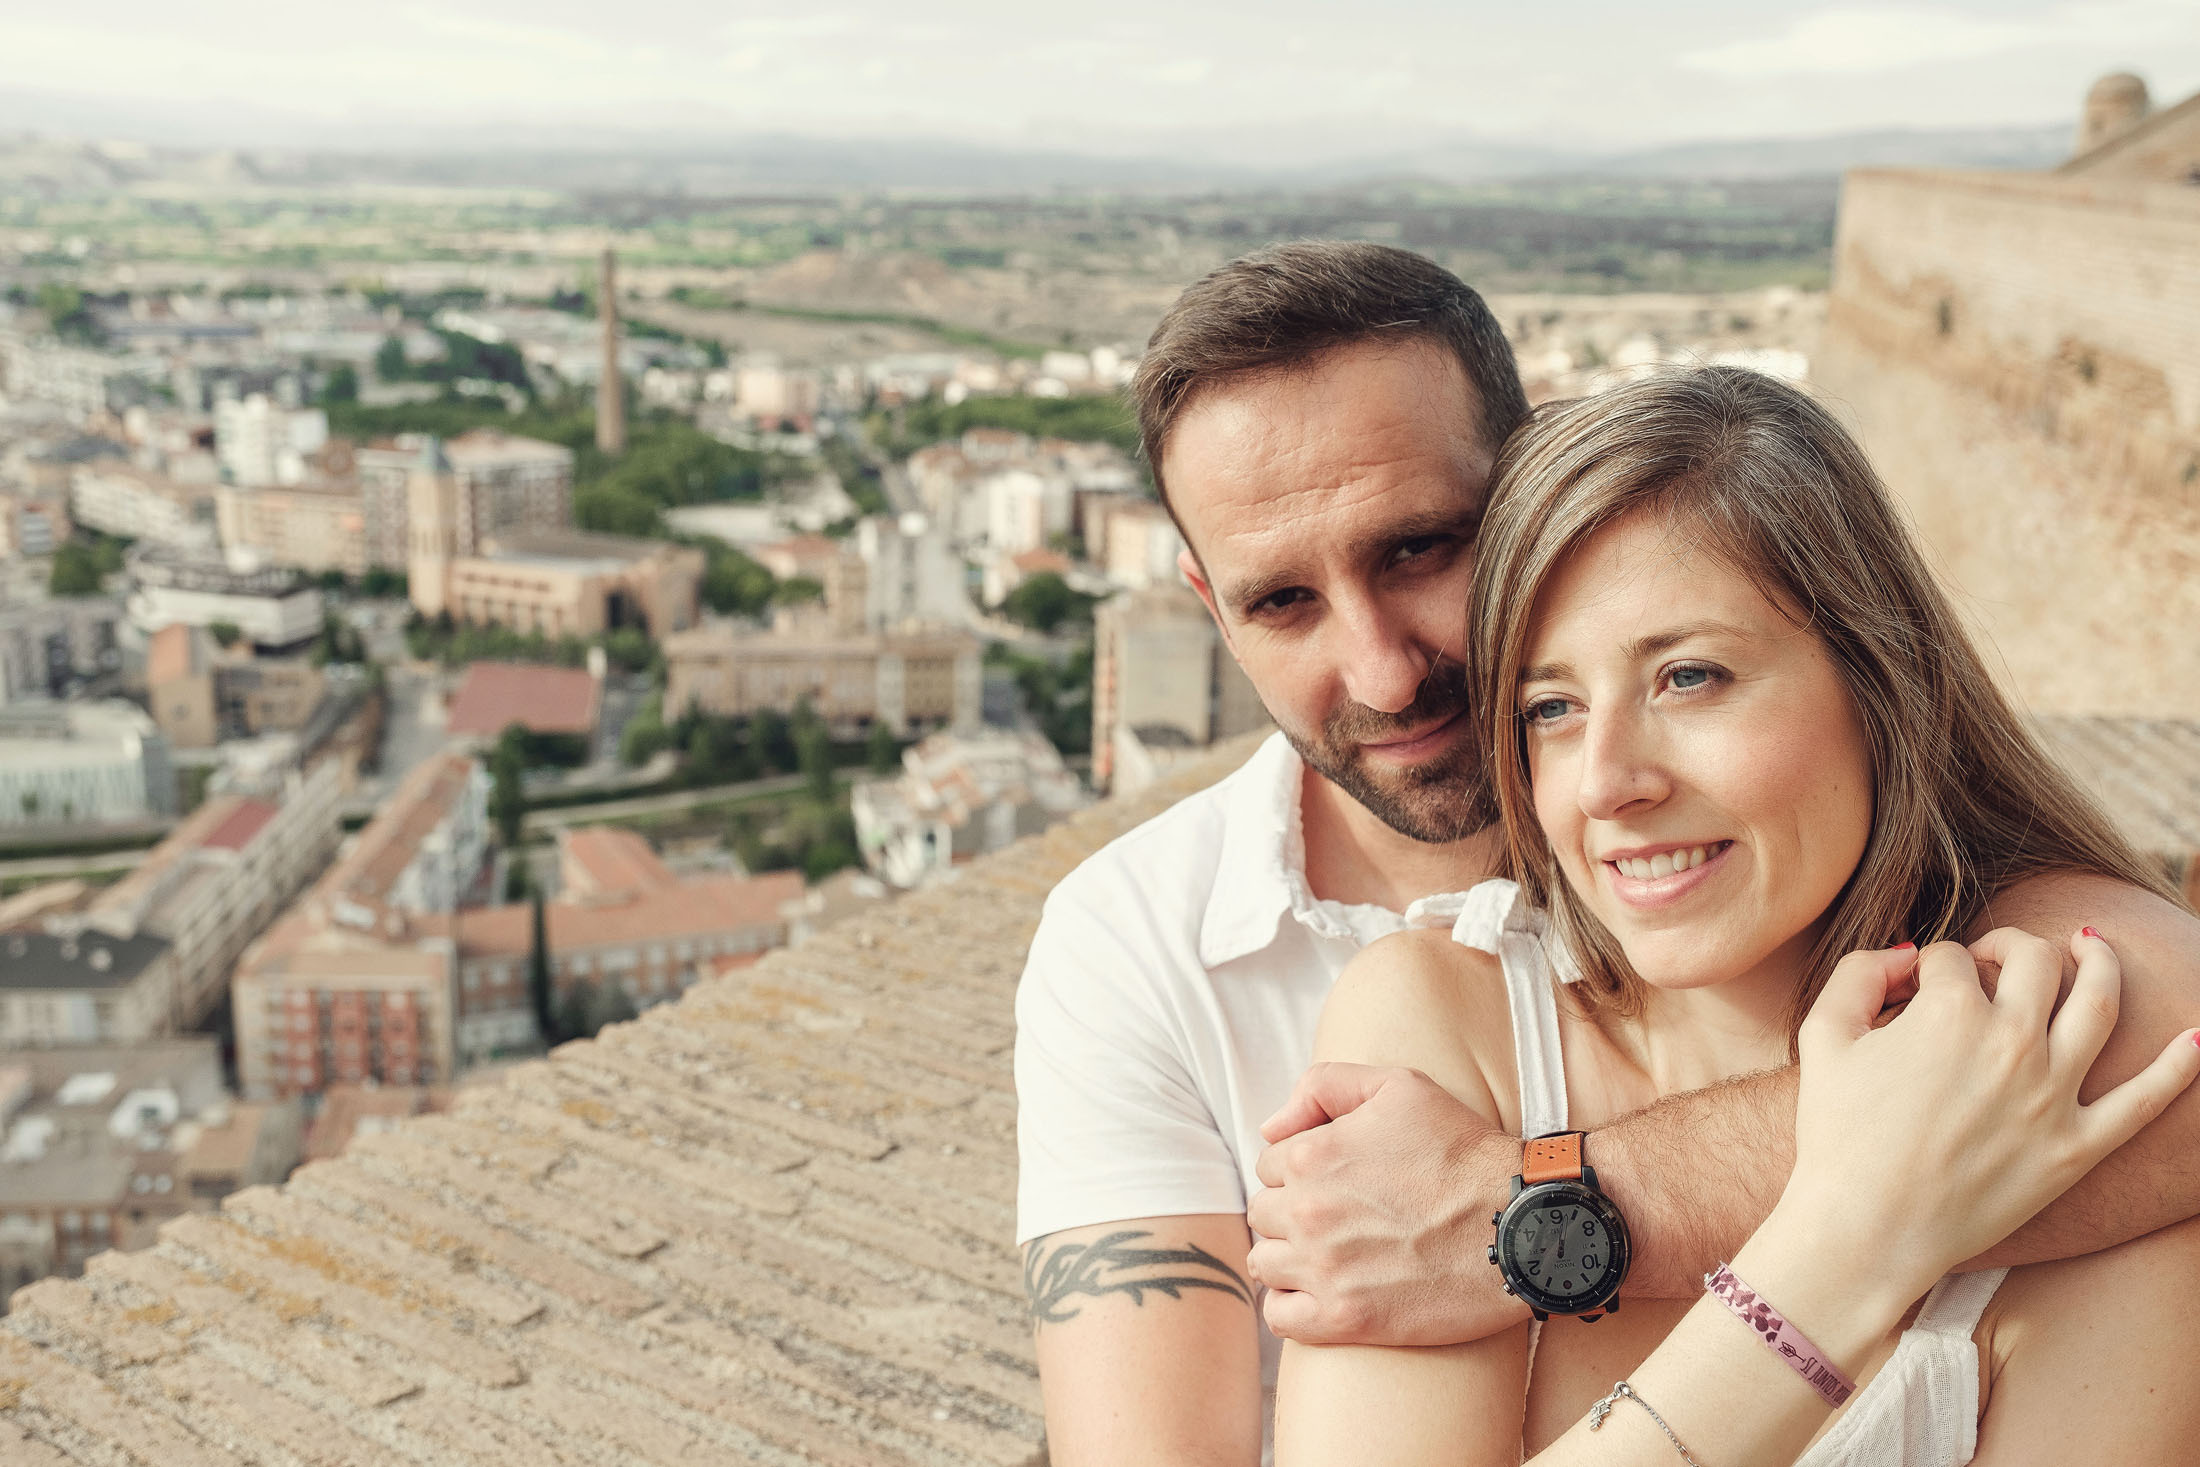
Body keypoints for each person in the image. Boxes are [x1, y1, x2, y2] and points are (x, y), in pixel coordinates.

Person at [1013, 242, 2200, 1466]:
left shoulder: (2052, 1000)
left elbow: (2165, 1046)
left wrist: (1538, 1213)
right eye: (1550, 707)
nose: (1381, 670)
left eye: (1418, 547)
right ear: (1212, 609)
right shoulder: (1170, 950)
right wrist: (1854, 1228)